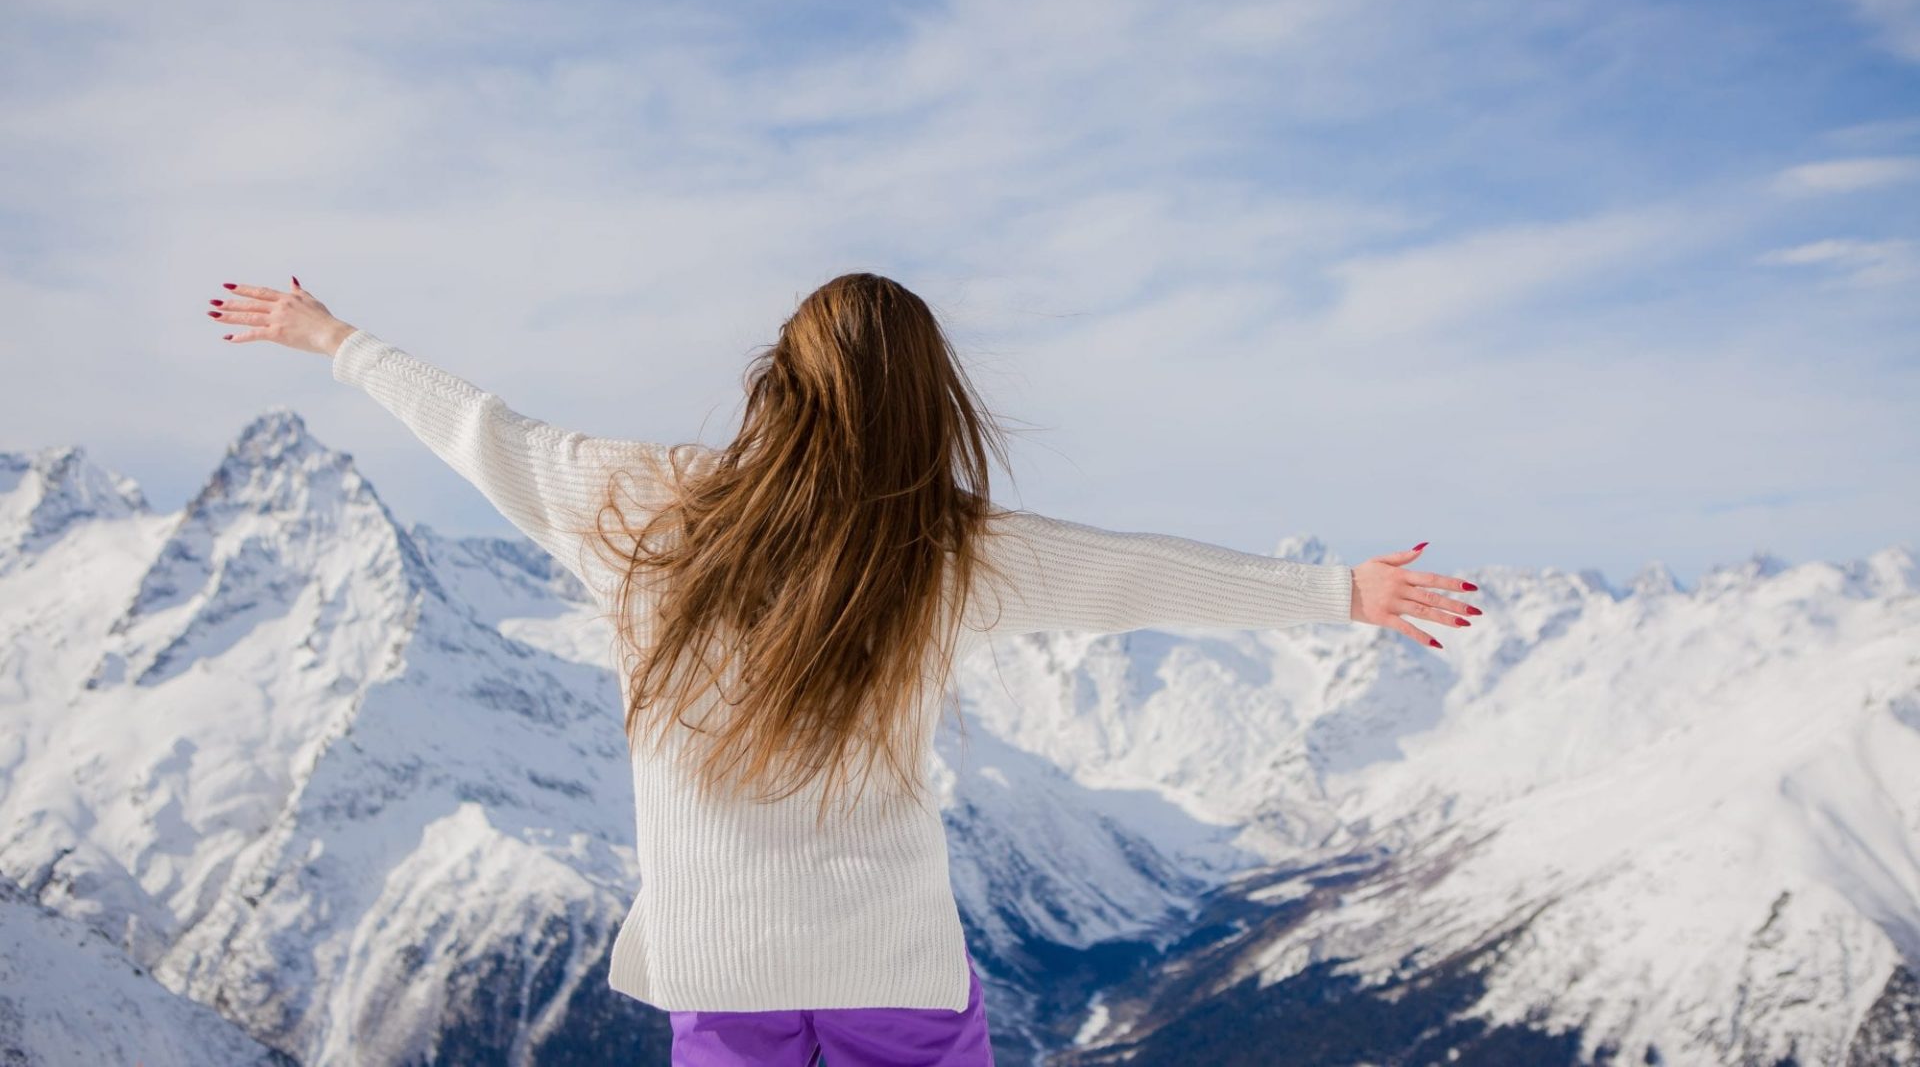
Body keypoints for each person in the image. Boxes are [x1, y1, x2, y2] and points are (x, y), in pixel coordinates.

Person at [206, 271, 1479, 1066]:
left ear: (780, 378)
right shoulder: (945, 551)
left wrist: (336, 338)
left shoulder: (641, 504)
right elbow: (1135, 573)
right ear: (934, 401)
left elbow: (482, 430)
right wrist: (1336, 592)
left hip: (714, 962)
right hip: (888, 954)